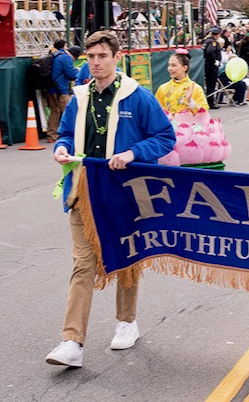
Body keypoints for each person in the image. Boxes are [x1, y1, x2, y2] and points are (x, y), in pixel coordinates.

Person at [46, 30, 176, 368]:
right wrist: (62, 147)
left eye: (102, 56)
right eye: (91, 57)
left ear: (117, 58)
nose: (96, 63)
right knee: (83, 265)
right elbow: (65, 133)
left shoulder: (139, 97)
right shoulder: (79, 97)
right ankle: (72, 341)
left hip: (125, 194)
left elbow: (165, 137)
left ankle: (126, 321)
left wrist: (134, 152)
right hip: (84, 191)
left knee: (126, 257)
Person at [44, 41, 81, 143]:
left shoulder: (56, 55)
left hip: (51, 88)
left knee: (54, 111)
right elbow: (71, 74)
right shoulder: (66, 58)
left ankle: (51, 135)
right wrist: (78, 70)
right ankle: (74, 134)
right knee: (70, 111)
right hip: (61, 90)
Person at [154, 49, 210, 114]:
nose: (169, 68)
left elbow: (204, 113)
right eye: (169, 65)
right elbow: (156, 111)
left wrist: (191, 102)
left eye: (174, 65)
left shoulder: (196, 89)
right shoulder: (163, 88)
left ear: (185, 68)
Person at [203, 27, 223, 109]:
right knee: (211, 84)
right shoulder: (213, 42)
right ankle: (210, 102)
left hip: (206, 65)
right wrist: (215, 61)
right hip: (211, 66)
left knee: (209, 84)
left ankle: (209, 101)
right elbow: (210, 51)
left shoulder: (206, 41)